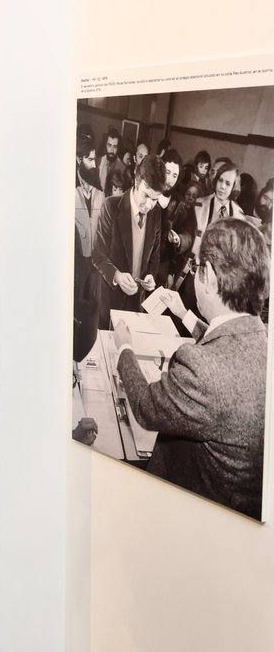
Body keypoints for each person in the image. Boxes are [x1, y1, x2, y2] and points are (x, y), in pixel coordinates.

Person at [113, 218, 268, 519]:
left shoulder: (201, 368)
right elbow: (231, 346)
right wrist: (185, 315)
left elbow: (146, 406)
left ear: (207, 276)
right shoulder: (261, 338)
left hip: (187, 511)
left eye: (197, 268)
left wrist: (124, 348)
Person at [91, 154, 166, 329]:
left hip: (137, 303)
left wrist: (150, 276)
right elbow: (97, 255)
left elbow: (155, 256)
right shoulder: (111, 206)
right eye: (146, 195)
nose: (148, 205)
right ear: (136, 182)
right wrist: (116, 275)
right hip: (110, 299)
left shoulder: (156, 214)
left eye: (155, 199)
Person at [74, 134, 105, 301]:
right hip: (76, 261)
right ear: (79, 160)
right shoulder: (68, 187)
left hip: (95, 260)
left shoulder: (99, 190)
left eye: (95, 160)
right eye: (90, 160)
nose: (94, 165)